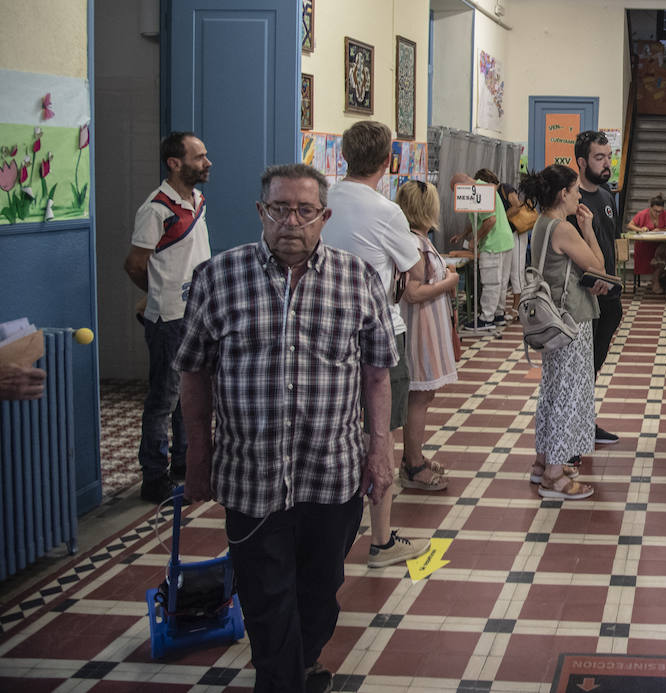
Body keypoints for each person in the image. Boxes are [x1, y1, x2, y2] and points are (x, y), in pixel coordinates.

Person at [177, 163, 396, 693]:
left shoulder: (357, 278)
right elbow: (194, 371)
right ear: (261, 212)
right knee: (266, 595)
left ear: (324, 217)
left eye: (303, 211)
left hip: (332, 472)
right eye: (279, 209)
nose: (290, 222)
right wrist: (198, 457)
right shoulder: (218, 278)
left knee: (320, 589)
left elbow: (377, 373)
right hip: (251, 475)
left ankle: (301, 658)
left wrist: (380, 451)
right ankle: (282, 676)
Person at [320, 120, 431, 568]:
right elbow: (415, 271)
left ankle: (329, 530)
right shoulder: (385, 211)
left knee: (332, 430)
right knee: (378, 435)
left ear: (344, 156)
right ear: (389, 162)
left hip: (326, 333)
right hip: (379, 333)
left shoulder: (323, 199)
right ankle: (382, 540)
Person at [123, 131, 212, 504]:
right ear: (175, 163)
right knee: (163, 397)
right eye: (199, 157)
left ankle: (182, 461)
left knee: (189, 395)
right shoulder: (156, 209)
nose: (207, 163)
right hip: (169, 318)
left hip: (197, 313)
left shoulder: (197, 200)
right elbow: (135, 264)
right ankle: (154, 475)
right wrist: (156, 293)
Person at [522, 164, 604, 500]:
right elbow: (598, 266)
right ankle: (554, 476)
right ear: (562, 194)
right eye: (574, 191)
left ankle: (543, 462)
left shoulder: (542, 223)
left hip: (551, 318)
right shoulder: (564, 228)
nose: (578, 196)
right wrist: (589, 229)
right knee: (569, 394)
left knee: (553, 390)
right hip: (571, 321)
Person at [395, 180, 461, 493]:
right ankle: (413, 465)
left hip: (428, 324)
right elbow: (413, 291)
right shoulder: (412, 242)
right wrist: (449, 282)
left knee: (424, 395)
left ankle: (414, 455)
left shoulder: (419, 239)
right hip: (419, 326)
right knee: (418, 397)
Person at [571, 130, 621, 447]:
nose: (606, 164)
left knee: (594, 365)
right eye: (599, 157)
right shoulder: (571, 200)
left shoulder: (606, 196)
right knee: (579, 366)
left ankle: (585, 421)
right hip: (584, 298)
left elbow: (609, 243)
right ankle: (576, 425)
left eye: (608, 156)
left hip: (609, 296)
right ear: (581, 161)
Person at [475, 169, 532, 298]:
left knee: (516, 270)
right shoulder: (491, 194)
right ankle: (508, 306)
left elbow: (516, 206)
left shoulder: (504, 189)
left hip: (516, 232)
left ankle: (518, 307)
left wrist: (502, 219)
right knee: (505, 274)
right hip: (506, 235)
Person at [471, 167, 515, 331]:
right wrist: (465, 233)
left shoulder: (480, 190)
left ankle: (486, 318)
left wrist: (476, 239)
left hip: (493, 244)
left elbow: (489, 221)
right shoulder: (491, 191)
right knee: (502, 282)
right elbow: (480, 218)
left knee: (491, 282)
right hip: (506, 240)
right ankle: (498, 314)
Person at [627, 193, 666, 293]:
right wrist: (640, 229)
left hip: (658, 244)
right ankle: (656, 281)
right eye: (655, 211)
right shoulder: (643, 214)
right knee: (661, 257)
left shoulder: (664, 214)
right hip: (644, 245)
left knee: (665, 251)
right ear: (650, 208)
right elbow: (630, 225)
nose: (658, 213)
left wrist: (659, 229)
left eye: (660, 211)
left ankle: (656, 275)